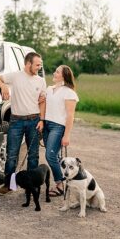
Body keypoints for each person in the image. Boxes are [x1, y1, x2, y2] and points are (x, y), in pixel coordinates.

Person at [0, 52, 46, 196]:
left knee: (33, 155)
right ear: (28, 64)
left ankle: (31, 186)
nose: (39, 67)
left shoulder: (40, 81)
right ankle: (9, 185)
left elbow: (43, 101)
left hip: (34, 120)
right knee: (11, 155)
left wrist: (42, 120)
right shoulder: (16, 76)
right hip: (16, 121)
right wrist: (3, 86)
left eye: (40, 64)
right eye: (37, 64)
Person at [43, 65, 79, 196]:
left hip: (58, 127)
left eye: (57, 72)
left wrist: (67, 135)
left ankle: (60, 184)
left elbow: (70, 116)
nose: (54, 73)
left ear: (63, 75)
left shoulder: (69, 92)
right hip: (46, 125)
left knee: (50, 155)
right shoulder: (49, 89)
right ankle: (66, 182)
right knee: (56, 157)